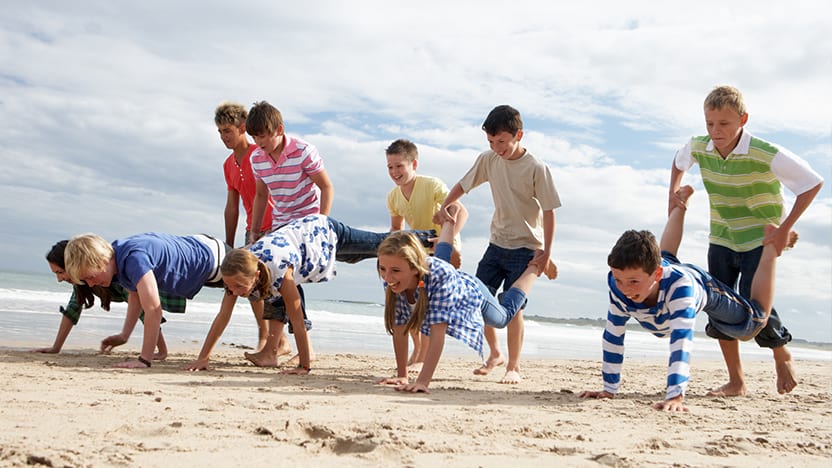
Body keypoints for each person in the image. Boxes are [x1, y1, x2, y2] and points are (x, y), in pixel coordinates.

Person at [668, 85, 824, 396]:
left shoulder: (765, 152)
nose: (716, 131)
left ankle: (781, 353)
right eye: (709, 123)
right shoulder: (699, 147)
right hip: (722, 235)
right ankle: (736, 381)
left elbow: (811, 183)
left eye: (724, 124)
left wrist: (783, 229)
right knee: (719, 305)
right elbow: (678, 162)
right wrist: (673, 195)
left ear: (743, 119)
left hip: (759, 237)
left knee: (755, 306)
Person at [580, 186, 789, 412]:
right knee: (664, 256)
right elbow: (613, 335)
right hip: (662, 271)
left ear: (656, 275)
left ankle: (770, 249)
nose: (625, 289)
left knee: (753, 324)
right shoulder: (618, 282)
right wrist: (608, 389)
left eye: (633, 282)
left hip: (702, 286)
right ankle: (680, 205)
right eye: (619, 280)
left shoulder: (681, 290)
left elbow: (681, 340)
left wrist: (676, 395)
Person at [184, 215, 437, 372]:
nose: (234, 292)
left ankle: (433, 239)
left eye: (238, 287)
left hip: (324, 232)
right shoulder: (237, 270)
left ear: (256, 276)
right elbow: (222, 317)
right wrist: (203, 358)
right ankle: (272, 351)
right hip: (303, 243)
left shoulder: (281, 272)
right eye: (230, 287)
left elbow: (297, 319)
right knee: (273, 296)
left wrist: (304, 366)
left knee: (378, 245)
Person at [436, 104, 560, 384]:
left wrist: (547, 252)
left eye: (501, 141)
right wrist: (446, 205)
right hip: (496, 244)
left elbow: (550, 212)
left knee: (512, 309)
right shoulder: (488, 160)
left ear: (519, 135)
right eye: (491, 142)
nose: (496, 147)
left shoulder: (536, 168)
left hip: (526, 245)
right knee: (478, 299)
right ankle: (494, 353)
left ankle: (513, 366)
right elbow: (463, 184)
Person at [375, 204, 539, 393]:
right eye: (382, 269)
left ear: (414, 268)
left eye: (394, 271)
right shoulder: (393, 277)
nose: (387, 277)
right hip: (434, 275)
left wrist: (422, 382)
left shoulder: (439, 277)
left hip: (470, 294)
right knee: (441, 261)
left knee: (502, 318)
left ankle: (534, 268)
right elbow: (399, 328)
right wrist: (402, 375)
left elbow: (437, 335)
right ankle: (449, 221)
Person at [64, 232, 231, 369]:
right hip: (201, 248)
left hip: (217, 260)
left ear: (103, 260)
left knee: (253, 291)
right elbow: (134, 295)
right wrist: (124, 335)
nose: (91, 284)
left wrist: (144, 360)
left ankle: (259, 348)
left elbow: (153, 310)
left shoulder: (134, 260)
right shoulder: (117, 257)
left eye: (91, 277)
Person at [385, 138, 460, 373]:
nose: (395, 172)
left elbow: (455, 211)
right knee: (410, 303)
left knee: (427, 305)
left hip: (442, 250)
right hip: (416, 253)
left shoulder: (432, 185)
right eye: (390, 167)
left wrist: (447, 240)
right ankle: (418, 350)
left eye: (399, 166)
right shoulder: (393, 197)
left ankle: (423, 354)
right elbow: (396, 229)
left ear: (413, 164)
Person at [33, 240, 185, 356]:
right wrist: (56, 348)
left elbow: (146, 311)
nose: (59, 279)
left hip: (172, 284)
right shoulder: (84, 282)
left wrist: (161, 351)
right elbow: (72, 310)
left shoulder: (111, 275)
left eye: (60, 272)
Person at [215, 101, 275, 351]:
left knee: (269, 285)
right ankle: (267, 336)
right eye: (220, 132)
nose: (223, 137)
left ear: (242, 128)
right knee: (250, 285)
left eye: (227, 131)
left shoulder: (259, 155)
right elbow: (232, 207)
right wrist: (230, 246)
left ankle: (274, 339)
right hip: (252, 229)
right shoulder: (228, 165)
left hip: (274, 225)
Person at [247, 100, 334, 241]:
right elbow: (261, 195)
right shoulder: (256, 159)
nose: (258, 142)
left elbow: (326, 187)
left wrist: (321, 223)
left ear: (279, 130)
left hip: (309, 222)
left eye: (262, 136)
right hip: (281, 225)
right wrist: (254, 232)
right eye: (254, 137)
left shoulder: (304, 151)